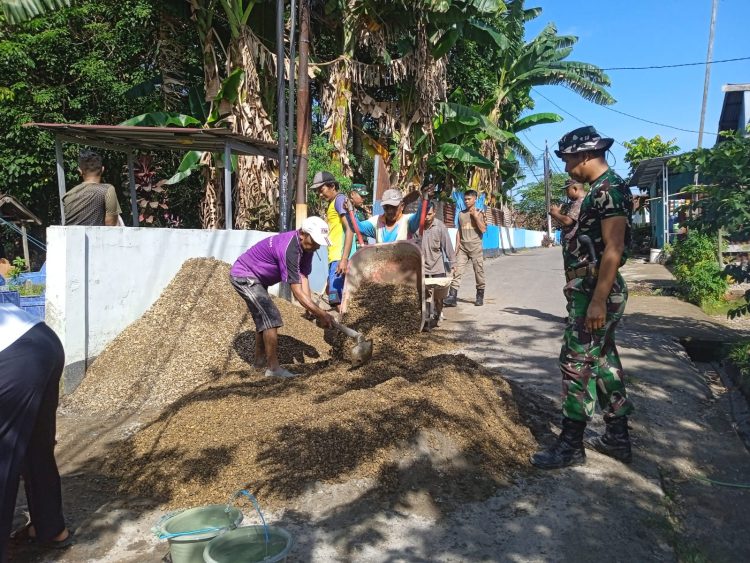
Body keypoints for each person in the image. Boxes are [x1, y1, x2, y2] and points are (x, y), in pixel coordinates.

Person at [531, 125, 634, 470]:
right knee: (603, 361)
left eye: (568, 159)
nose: (566, 167)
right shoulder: (600, 190)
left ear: (586, 155)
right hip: (590, 288)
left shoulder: (609, 190)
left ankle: (570, 445)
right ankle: (617, 438)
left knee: (576, 363)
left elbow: (614, 248)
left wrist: (598, 300)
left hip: (595, 290)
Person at [1, 303, 72, 562]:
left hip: (15, 355)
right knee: (35, 445)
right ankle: (51, 529)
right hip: (43, 340)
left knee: (4, 454)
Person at [229, 216, 335, 378]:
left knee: (264, 319)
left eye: (319, 243)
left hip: (259, 279)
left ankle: (259, 363)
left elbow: (303, 275)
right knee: (271, 317)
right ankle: (273, 369)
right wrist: (321, 313)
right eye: (315, 241)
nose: (317, 246)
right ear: (302, 234)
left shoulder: (307, 248)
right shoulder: (290, 249)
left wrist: (310, 307)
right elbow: (297, 292)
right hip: (244, 275)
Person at [309, 171, 355, 310]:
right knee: (334, 295)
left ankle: (346, 321)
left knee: (335, 299)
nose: (320, 194)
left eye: (321, 189)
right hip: (334, 257)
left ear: (332, 186)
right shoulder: (332, 204)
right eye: (318, 191)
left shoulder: (340, 200)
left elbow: (350, 229)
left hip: (339, 257)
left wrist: (344, 259)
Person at [442, 190, 487, 307]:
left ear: (475, 199)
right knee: (457, 271)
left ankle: (480, 296)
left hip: (475, 248)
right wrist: (456, 248)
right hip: (463, 248)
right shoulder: (461, 214)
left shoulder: (480, 212)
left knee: (479, 272)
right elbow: (459, 232)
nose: (466, 201)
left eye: (469, 199)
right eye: (465, 199)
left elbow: (483, 230)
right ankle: (452, 297)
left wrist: (475, 217)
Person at [413, 202, 455, 326]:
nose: (427, 217)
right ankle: (424, 319)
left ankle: (439, 312)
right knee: (423, 295)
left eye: (429, 214)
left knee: (439, 295)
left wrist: (453, 264)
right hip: (422, 267)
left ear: (434, 213)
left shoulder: (440, 226)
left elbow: (447, 246)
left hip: (437, 266)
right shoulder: (416, 227)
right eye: (425, 214)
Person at [62, 149, 122, 226]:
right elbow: (111, 224)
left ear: (80, 171)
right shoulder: (107, 190)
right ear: (102, 169)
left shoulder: (68, 195)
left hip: (70, 234)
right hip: (96, 234)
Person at [351, 188, 425, 243]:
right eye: (386, 207)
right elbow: (357, 227)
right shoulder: (376, 221)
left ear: (402, 206)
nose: (390, 211)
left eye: (394, 207)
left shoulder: (408, 221)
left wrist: (425, 200)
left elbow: (420, 216)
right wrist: (349, 210)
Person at [549, 179, 586, 245]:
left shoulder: (579, 202)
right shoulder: (578, 202)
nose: (566, 194)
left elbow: (568, 221)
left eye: (567, 190)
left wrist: (555, 214)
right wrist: (556, 214)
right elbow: (565, 222)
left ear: (575, 189)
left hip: (576, 244)